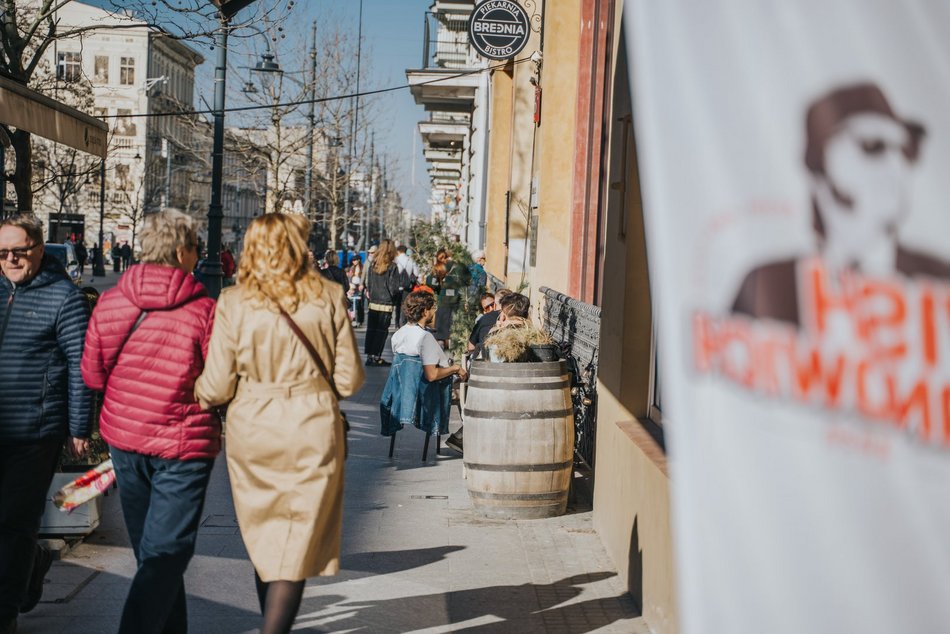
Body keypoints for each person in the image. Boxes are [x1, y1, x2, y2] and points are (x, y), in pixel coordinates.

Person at [194, 212, 364, 634]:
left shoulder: (234, 302)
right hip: (312, 426)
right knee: (296, 538)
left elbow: (216, 385)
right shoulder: (327, 294)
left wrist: (201, 395)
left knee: (267, 534)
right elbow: (349, 379)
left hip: (253, 428)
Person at [80, 209, 218, 634]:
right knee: (166, 553)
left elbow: (93, 374)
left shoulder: (112, 300)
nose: (199, 255)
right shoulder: (205, 309)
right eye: (197, 247)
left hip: (126, 440)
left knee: (152, 553)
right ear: (181, 252)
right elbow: (220, 381)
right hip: (183, 445)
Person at [733, 82, 950, 325]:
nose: (896, 166)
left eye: (907, 150)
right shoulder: (767, 287)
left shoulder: (941, 282)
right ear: (818, 165)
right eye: (872, 146)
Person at [0, 215, 92, 634]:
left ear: (38, 248)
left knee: (15, 522)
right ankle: (33, 564)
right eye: (2, 253)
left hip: (36, 430)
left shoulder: (64, 297)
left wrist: (78, 428)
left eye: (18, 250)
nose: (10, 259)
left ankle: (5, 611)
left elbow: (80, 365)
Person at [380, 290, 468, 440]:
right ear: (425, 311)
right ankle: (463, 436)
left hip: (403, 393)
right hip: (425, 395)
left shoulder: (398, 334)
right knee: (465, 387)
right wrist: (456, 368)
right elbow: (432, 375)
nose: (435, 312)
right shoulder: (425, 337)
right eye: (433, 308)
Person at [364, 239, 401, 366]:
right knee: (381, 331)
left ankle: (369, 356)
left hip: (373, 302)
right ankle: (376, 356)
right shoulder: (392, 267)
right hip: (386, 303)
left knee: (372, 329)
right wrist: (395, 297)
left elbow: (369, 284)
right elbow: (393, 287)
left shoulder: (373, 265)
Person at [434, 250, 471, 349]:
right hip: (452, 302)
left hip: (448, 302)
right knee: (450, 325)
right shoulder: (459, 267)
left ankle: (444, 344)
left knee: (445, 325)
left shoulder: (451, 267)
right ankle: (448, 344)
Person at [393, 245, 421, 327]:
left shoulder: (396, 260)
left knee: (397, 304)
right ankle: (403, 322)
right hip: (407, 286)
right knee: (405, 304)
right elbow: (416, 273)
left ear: (398, 251)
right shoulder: (410, 260)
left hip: (397, 285)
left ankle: (397, 322)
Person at [347, 254, 365, 327]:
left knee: (360, 304)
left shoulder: (362, 268)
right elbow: (349, 278)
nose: (353, 261)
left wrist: (363, 285)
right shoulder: (352, 268)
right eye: (353, 260)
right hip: (353, 287)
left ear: (358, 260)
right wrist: (350, 286)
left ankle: (360, 320)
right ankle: (353, 319)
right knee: (352, 304)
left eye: (355, 260)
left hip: (360, 287)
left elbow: (364, 277)